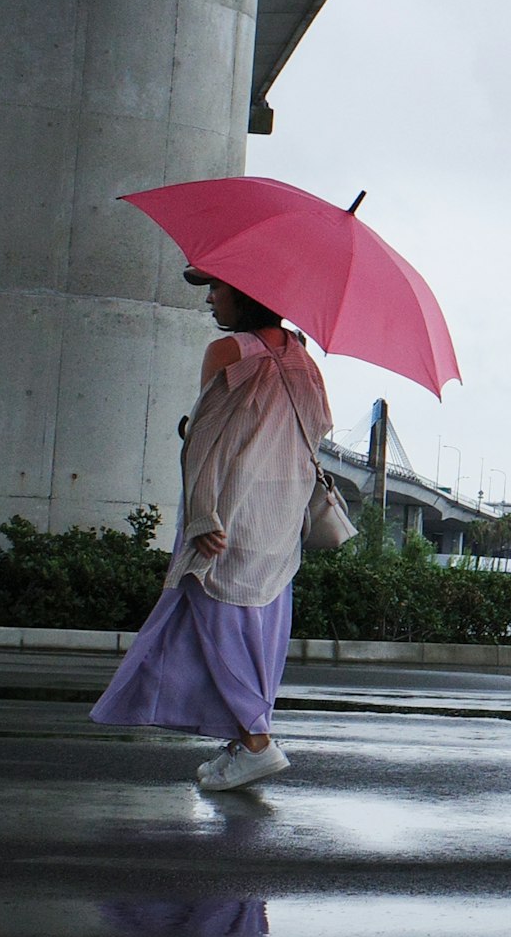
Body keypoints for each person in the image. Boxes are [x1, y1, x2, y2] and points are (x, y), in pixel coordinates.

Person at [92, 272, 333, 791]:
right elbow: (316, 432)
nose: (208, 299)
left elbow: (202, 443)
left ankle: (256, 744)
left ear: (245, 293)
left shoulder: (229, 351)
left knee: (211, 629)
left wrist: (202, 515)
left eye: (216, 289)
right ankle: (241, 743)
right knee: (256, 635)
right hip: (278, 520)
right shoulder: (305, 361)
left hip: (224, 516)